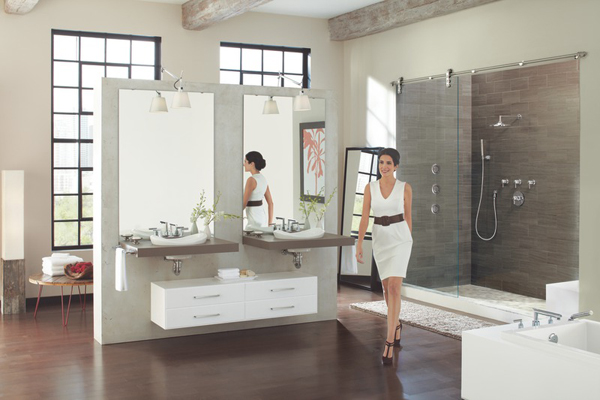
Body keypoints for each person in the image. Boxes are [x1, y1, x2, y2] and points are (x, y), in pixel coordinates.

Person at [356, 148, 413, 365]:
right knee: (385, 288)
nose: (384, 166)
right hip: (380, 239)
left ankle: (389, 341)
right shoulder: (370, 187)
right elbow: (363, 218)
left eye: (389, 163)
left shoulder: (405, 188)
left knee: (394, 288)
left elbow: (408, 217)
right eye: (381, 162)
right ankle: (396, 323)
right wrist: (359, 243)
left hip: (400, 238)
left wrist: (409, 240)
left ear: (396, 166)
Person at [243, 151, 273, 228]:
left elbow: (243, 204)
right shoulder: (263, 179)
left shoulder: (251, 180)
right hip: (262, 217)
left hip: (254, 219)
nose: (244, 164)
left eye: (245, 161)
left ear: (252, 164)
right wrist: (270, 225)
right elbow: (271, 203)